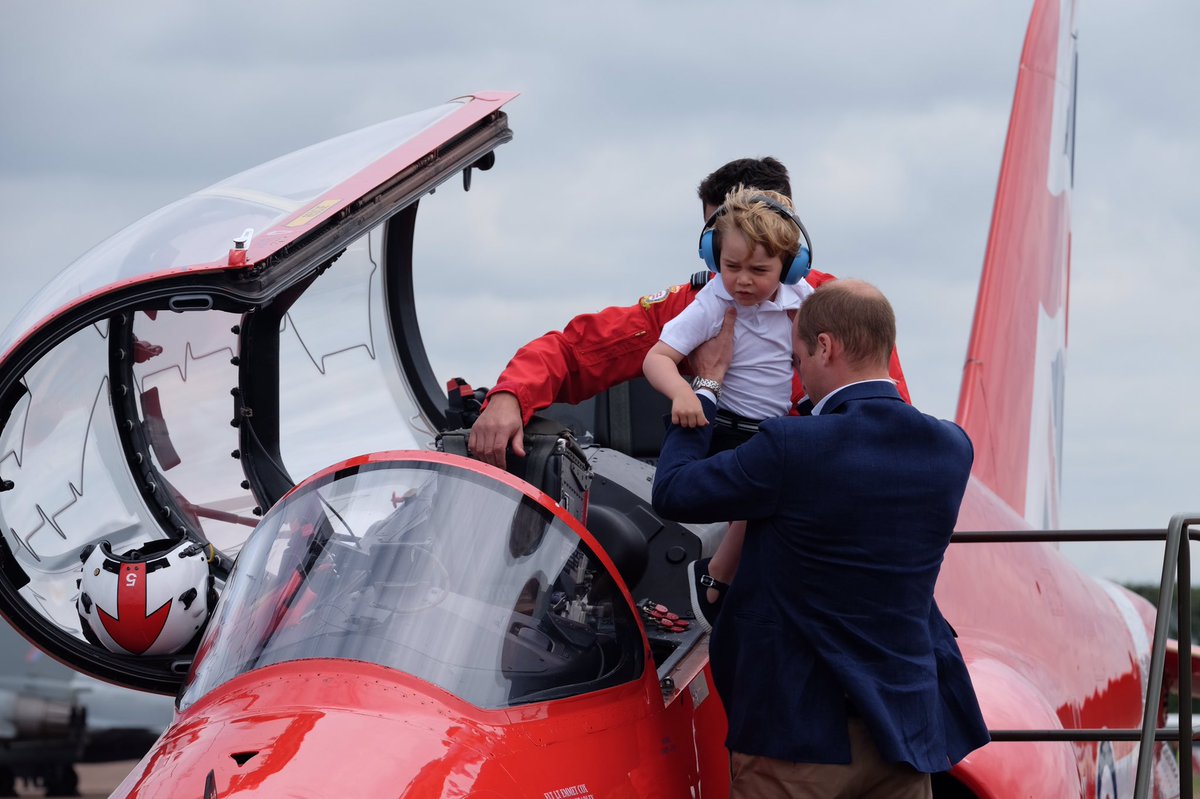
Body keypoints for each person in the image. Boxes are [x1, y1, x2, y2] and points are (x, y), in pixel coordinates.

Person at [651, 280, 989, 798]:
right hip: (903, 731)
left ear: (826, 347)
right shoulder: (951, 448)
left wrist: (705, 387)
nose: (797, 375)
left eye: (798, 359)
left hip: (796, 738)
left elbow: (673, 491)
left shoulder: (791, 448)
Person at [466, 157, 912, 471]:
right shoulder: (692, 308)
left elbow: (893, 431)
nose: (732, 271)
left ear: (789, 244)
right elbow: (574, 351)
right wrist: (510, 396)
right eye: (722, 248)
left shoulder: (845, 311)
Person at [643, 187, 810, 631]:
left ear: (790, 267)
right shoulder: (713, 302)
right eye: (731, 266)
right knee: (758, 501)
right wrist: (682, 393)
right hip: (726, 428)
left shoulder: (802, 302)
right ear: (715, 259)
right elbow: (656, 357)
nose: (742, 281)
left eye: (760, 270)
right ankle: (715, 580)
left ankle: (752, 584)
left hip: (772, 429)